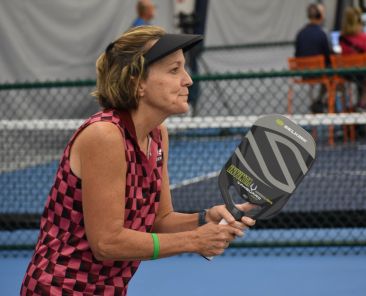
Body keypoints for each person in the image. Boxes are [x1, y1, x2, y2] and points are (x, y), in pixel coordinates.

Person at [20, 26, 256, 295]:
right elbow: (107, 243)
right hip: (60, 289)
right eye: (174, 70)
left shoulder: (158, 134)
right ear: (137, 82)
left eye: (184, 68)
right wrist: (193, 240)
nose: (188, 80)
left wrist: (204, 219)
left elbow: (160, 220)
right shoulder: (104, 135)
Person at [294, 3, 332, 113]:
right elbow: (328, 56)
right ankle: (320, 101)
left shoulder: (300, 33)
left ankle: (317, 102)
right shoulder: (322, 33)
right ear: (320, 16)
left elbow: (297, 55)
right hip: (319, 73)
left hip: (304, 73)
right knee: (334, 75)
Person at [339, 6, 366, 111]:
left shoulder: (342, 38)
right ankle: (362, 103)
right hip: (362, 73)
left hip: (347, 73)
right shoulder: (363, 38)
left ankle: (347, 105)